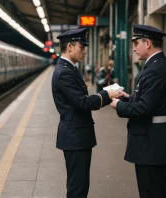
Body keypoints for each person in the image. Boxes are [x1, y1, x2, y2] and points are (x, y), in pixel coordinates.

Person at [110, 24, 166, 198]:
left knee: (151, 191)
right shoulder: (158, 65)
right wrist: (127, 98)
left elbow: (143, 108)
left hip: (151, 144)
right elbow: (148, 101)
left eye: (136, 43)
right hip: (156, 141)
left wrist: (118, 105)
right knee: (158, 189)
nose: (133, 48)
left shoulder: (155, 70)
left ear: (147, 43)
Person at [51, 28, 121, 198]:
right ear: (69, 47)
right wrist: (107, 95)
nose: (84, 50)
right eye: (81, 47)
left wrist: (106, 95)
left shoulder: (69, 68)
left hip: (78, 136)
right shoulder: (65, 72)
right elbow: (82, 102)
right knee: (77, 188)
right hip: (75, 137)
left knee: (80, 185)